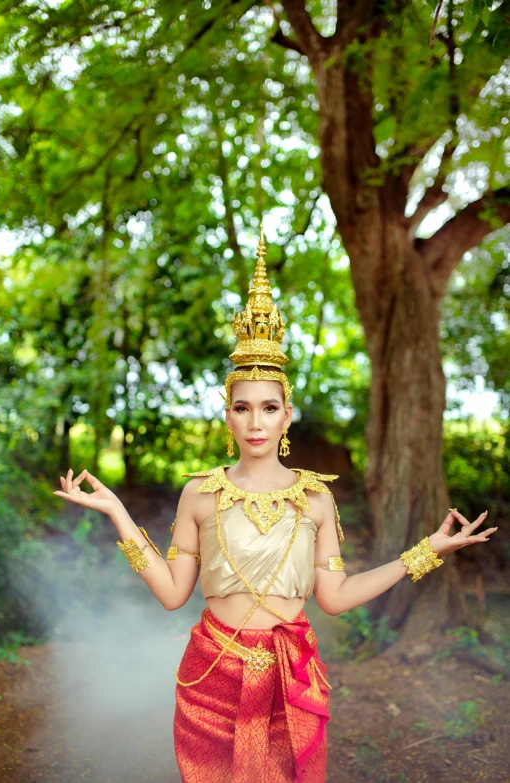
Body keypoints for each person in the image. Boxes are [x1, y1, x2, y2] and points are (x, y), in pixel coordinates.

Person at [54, 225, 497, 783]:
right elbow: (172, 595)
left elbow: (333, 598)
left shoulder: (314, 496)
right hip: (213, 675)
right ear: (228, 415)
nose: (255, 421)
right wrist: (119, 512)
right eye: (243, 407)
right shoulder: (201, 493)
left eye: (269, 408)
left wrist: (428, 549)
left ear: (287, 415)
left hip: (294, 678)